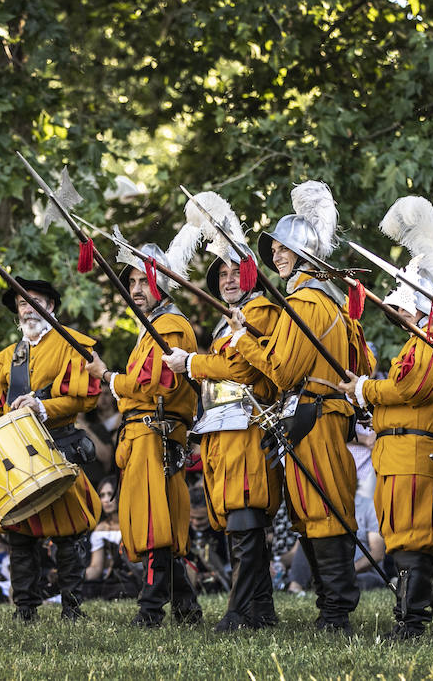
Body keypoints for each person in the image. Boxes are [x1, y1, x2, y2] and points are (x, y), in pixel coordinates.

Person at [220, 182, 373, 634]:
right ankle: (331, 607)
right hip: (314, 416)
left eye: (285, 250)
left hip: (316, 417)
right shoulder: (327, 303)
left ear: (305, 255)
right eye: (276, 250)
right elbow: (365, 361)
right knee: (311, 510)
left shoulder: (306, 301)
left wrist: (243, 340)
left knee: (323, 511)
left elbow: (284, 372)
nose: (277, 256)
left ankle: (336, 612)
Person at [338, 195, 433, 639]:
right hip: (411, 451)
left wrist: (363, 388)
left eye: (402, 307)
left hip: (416, 455)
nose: (395, 314)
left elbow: (412, 388)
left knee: (415, 539)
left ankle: (414, 623)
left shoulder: (430, 342)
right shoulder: (429, 341)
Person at [164, 214, 284, 632]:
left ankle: (236, 613)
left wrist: (192, 363)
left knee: (246, 519)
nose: (229, 279)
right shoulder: (227, 317)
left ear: (251, 274)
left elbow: (244, 372)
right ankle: (261, 612)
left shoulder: (261, 312)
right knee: (236, 522)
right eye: (223, 272)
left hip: (249, 427)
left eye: (237, 271)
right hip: (222, 429)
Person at [86, 243, 204, 628]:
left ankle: (150, 609)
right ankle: (185, 606)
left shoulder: (169, 326)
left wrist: (107, 377)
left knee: (156, 521)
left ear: (163, 285)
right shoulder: (151, 327)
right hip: (143, 434)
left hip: (157, 434)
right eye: (132, 281)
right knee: (157, 519)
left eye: (144, 281)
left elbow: (154, 385)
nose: (136, 288)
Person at [0, 277, 103, 622]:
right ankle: (25, 608)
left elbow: (85, 396)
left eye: (34, 301)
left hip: (58, 445)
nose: (27, 308)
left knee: (69, 530)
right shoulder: (7, 357)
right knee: (19, 532)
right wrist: (11, 412)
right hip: (17, 452)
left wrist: (41, 405)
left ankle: (72, 608)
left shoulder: (73, 344)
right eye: (21, 303)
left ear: (51, 307)